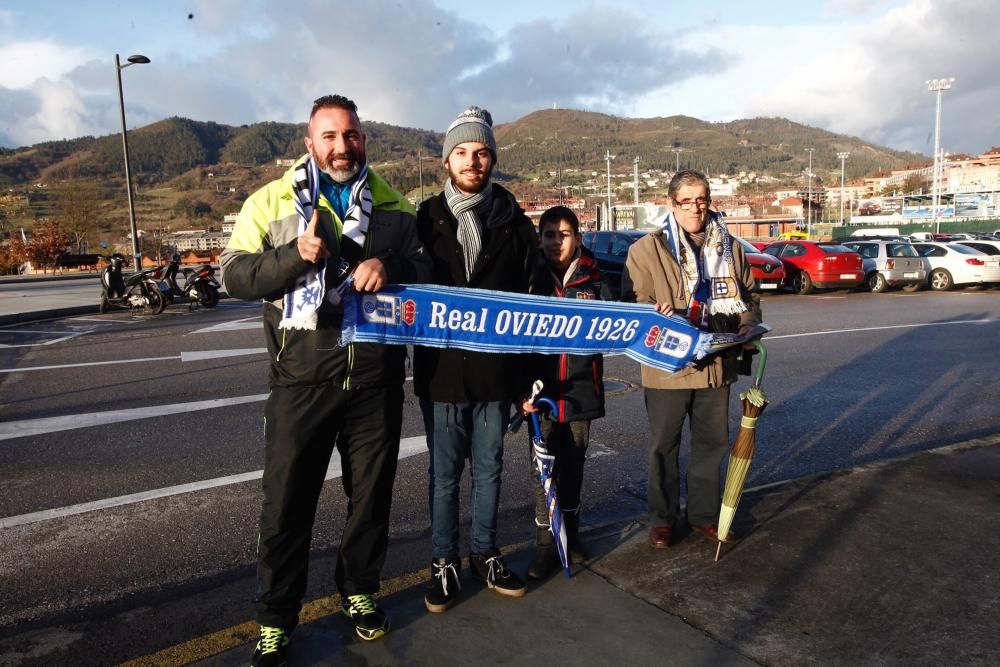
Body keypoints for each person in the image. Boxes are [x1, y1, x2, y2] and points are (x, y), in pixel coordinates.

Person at [220, 94, 430, 666]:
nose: (343, 146)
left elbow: (424, 266)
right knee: (286, 504)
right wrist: (292, 256)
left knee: (370, 499)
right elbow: (234, 274)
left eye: (353, 135)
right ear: (309, 144)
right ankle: (275, 619)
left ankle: (360, 592)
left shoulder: (394, 204)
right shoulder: (269, 201)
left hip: (375, 377)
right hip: (303, 376)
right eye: (331, 137)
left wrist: (392, 266)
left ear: (364, 139)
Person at [413, 105, 538, 613]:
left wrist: (527, 380)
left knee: (489, 470)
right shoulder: (423, 218)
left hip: (496, 372)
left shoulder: (513, 219)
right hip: (441, 372)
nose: (472, 161)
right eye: (462, 152)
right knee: (444, 476)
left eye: (482, 152)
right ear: (447, 161)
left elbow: (533, 304)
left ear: (492, 159)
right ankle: (443, 562)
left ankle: (484, 553)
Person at [621, 169, 761, 550]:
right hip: (667, 369)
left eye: (702, 199)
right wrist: (653, 311)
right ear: (671, 204)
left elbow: (748, 297)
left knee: (712, 444)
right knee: (663, 447)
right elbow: (632, 306)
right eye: (686, 200)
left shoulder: (729, 248)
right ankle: (663, 519)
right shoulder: (645, 250)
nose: (695, 207)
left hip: (716, 366)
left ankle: (702, 514)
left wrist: (749, 325)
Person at [520, 205, 610, 580]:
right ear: (540, 239)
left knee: (573, 469)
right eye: (550, 235)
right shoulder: (529, 276)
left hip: (580, 392)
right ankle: (545, 546)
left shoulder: (595, 275)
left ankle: (570, 536)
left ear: (578, 237)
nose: (557, 242)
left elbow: (619, 320)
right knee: (544, 473)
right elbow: (514, 337)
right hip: (540, 395)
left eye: (565, 234)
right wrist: (518, 389)